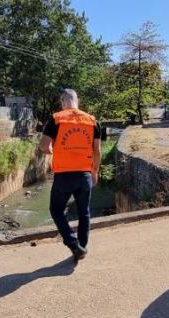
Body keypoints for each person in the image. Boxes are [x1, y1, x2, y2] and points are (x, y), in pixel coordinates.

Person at [39, 89, 102, 262]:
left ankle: (74, 244)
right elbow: (97, 151)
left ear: (63, 101)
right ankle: (81, 248)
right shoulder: (92, 121)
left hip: (64, 175)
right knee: (84, 213)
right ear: (77, 101)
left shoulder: (57, 118)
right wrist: (94, 172)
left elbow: (44, 145)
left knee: (56, 210)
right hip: (85, 175)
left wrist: (51, 150)